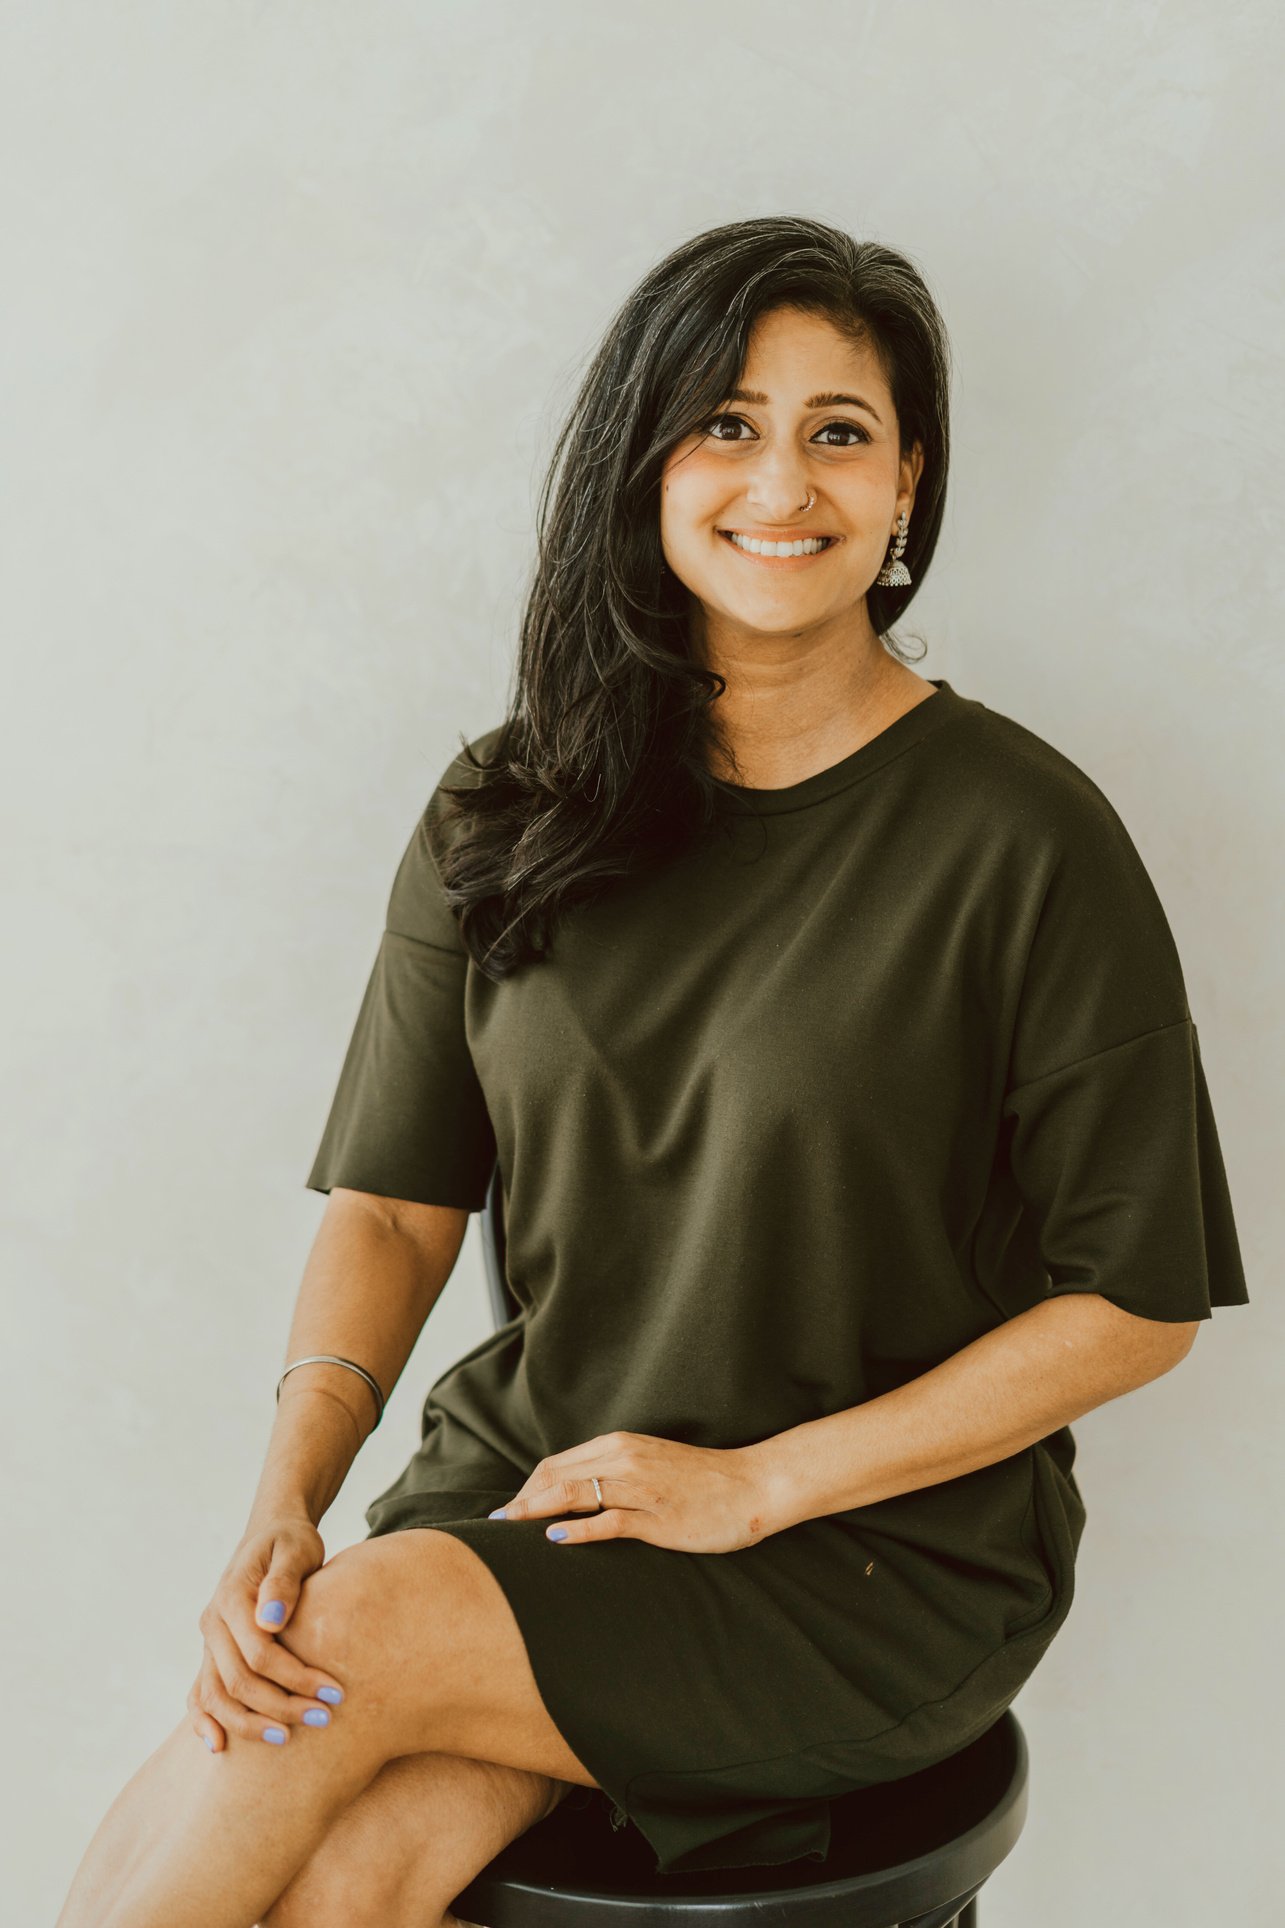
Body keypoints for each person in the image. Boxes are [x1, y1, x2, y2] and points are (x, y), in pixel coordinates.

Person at [57, 215, 1250, 1928]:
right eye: (725, 423)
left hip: (867, 1548)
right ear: (645, 465)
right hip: (548, 1484)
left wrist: (758, 1482)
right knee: (348, 1865)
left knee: (347, 1647)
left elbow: (1133, 1302)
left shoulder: (1023, 838)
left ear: (907, 482)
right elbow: (395, 1208)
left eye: (838, 430)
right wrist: (285, 1497)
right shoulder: (509, 801)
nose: (783, 479)